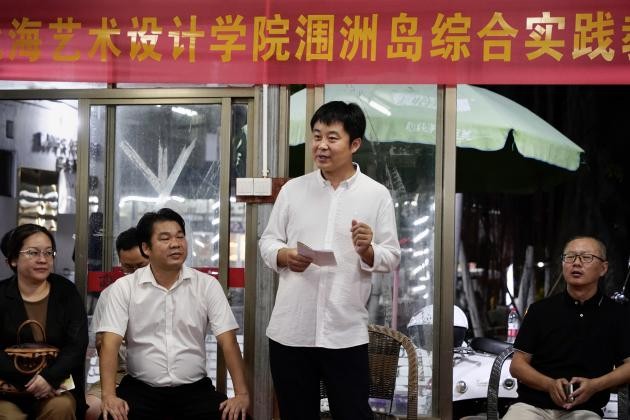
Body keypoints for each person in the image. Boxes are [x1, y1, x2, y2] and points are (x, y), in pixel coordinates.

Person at [259, 101, 401, 419]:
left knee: (353, 414)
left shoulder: (376, 194)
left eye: (332, 138)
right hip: (291, 332)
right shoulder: (293, 190)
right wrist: (284, 255)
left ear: (354, 144)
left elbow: (391, 256)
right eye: (317, 136)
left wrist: (367, 250)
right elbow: (267, 241)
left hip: (345, 333)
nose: (321, 145)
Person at [97, 208, 249, 420]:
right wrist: (109, 396)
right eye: (165, 238)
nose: (176, 244)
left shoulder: (207, 285)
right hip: (140, 390)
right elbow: (109, 344)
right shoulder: (124, 288)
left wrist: (241, 394)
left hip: (195, 391)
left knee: (238, 417)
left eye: (180, 236)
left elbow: (228, 341)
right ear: (146, 248)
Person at [504, 236, 630, 419]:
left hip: (584, 409)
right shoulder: (540, 310)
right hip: (532, 406)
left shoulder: (617, 314)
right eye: (570, 257)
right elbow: (517, 365)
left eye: (586, 257)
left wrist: (595, 385)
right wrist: (548, 384)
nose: (576, 263)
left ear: (603, 268)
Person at [0, 224, 88, 420]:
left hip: (55, 386)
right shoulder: (2, 295)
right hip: (7, 390)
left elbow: (77, 345)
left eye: (48, 253)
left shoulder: (66, 292)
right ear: (13, 259)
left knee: (61, 407)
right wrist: (32, 381)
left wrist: (49, 379)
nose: (43, 259)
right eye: (33, 253)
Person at [85, 227, 149, 420]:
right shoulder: (110, 294)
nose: (134, 274)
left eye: (141, 266)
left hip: (156, 376)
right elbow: (99, 343)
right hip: (119, 375)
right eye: (128, 267)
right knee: (90, 408)